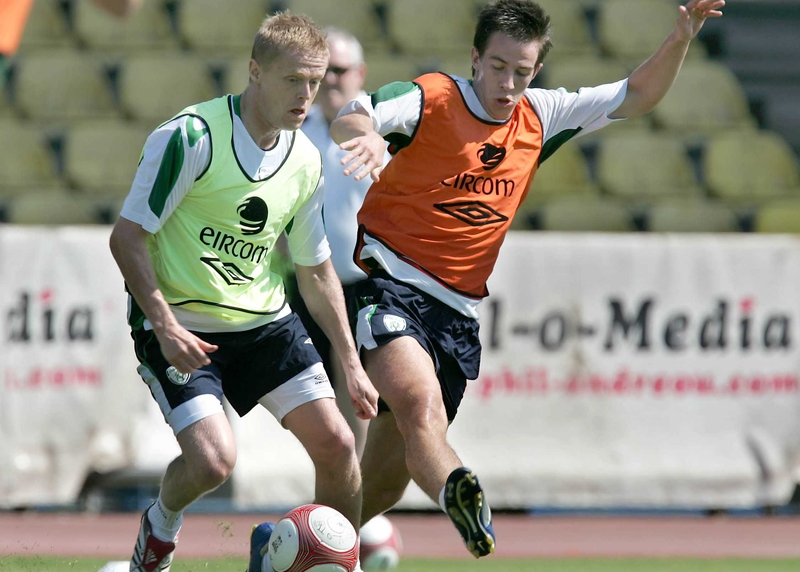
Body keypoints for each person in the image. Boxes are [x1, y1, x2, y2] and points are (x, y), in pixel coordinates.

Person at [327, 0, 725, 559]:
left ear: (536, 71)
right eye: (497, 67)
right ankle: (459, 492)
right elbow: (353, 111)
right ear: (475, 58)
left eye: (521, 71)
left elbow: (637, 94)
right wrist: (366, 134)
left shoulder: (542, 115)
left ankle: (293, 544)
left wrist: (682, 37)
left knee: (385, 482)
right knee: (422, 409)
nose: (507, 83)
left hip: (457, 315)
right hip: (388, 286)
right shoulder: (432, 97)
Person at [109, 12, 378, 572]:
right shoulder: (190, 137)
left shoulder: (305, 157)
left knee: (338, 443)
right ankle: (160, 527)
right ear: (255, 72)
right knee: (213, 462)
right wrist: (162, 322)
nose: (306, 96)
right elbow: (128, 236)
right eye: (292, 80)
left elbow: (316, 268)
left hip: (263, 322)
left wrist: (350, 362)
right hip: (182, 323)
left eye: (316, 80)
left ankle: (332, 565)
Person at [293, 26, 391, 456]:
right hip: (310, 280)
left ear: (360, 73)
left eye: (339, 70)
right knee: (320, 398)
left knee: (367, 396)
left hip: (369, 282)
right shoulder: (295, 132)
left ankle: (363, 500)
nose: (330, 79)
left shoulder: (384, 134)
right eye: (321, 71)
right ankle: (344, 494)